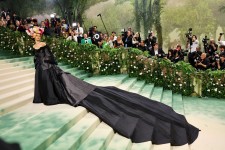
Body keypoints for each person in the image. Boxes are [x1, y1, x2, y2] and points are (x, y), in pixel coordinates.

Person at [28, 26, 199, 146]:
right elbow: (38, 61)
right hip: (43, 72)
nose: (36, 36)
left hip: (51, 70)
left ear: (41, 35)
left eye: (37, 34)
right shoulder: (35, 47)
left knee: (103, 95)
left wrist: (47, 65)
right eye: (34, 34)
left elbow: (51, 59)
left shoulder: (44, 45)